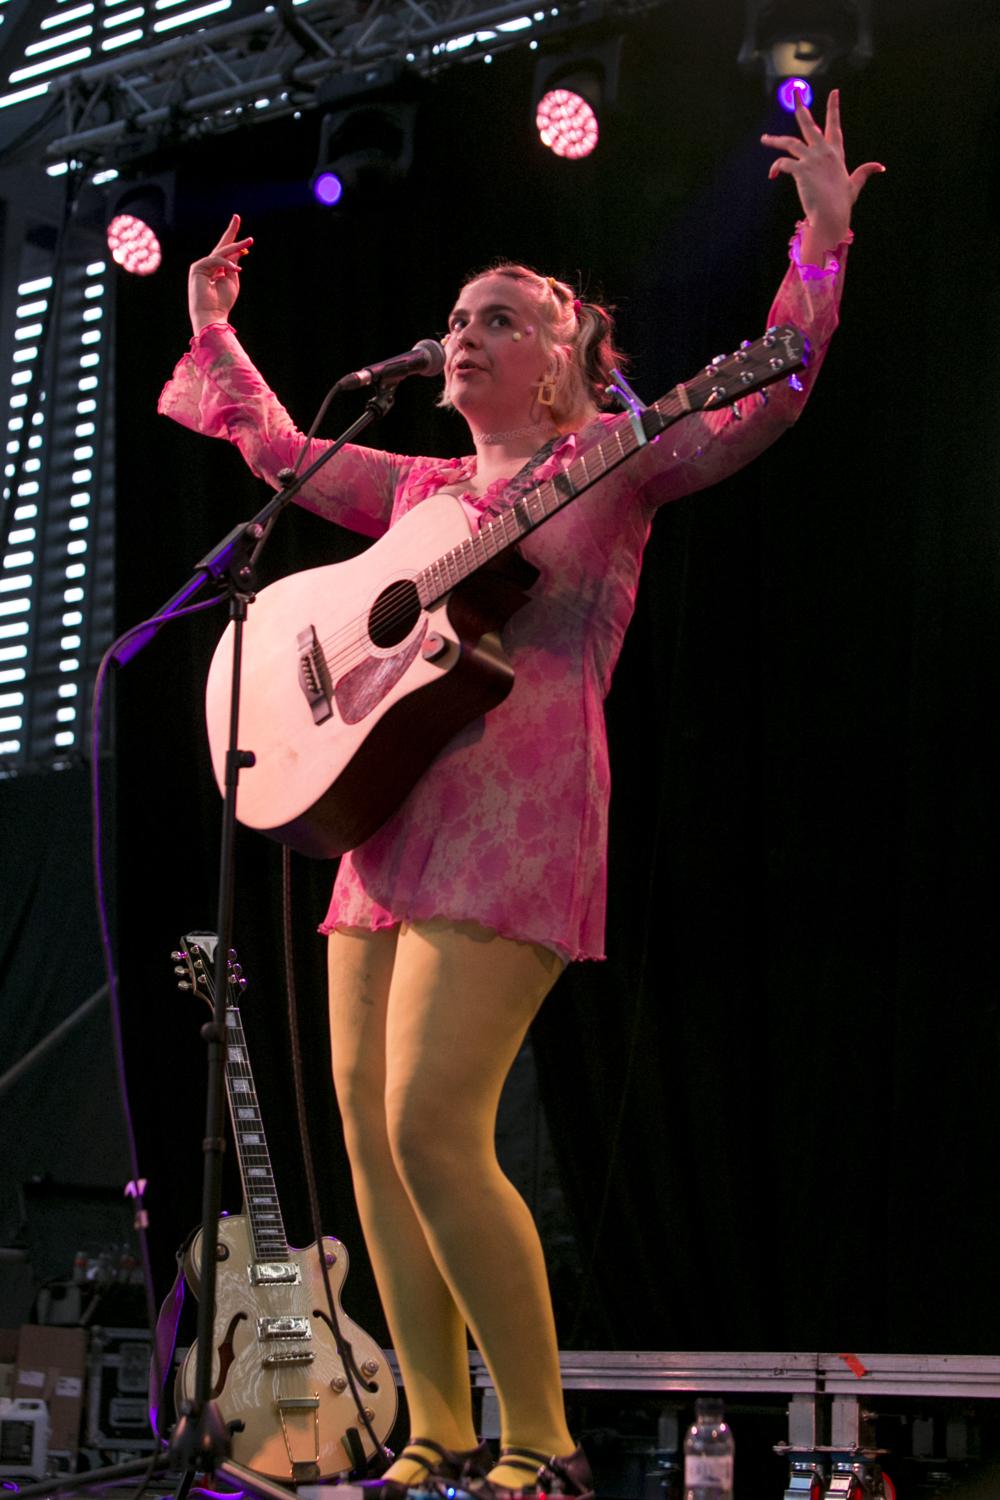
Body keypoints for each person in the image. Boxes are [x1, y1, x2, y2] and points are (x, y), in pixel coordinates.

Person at [159, 91, 882, 1499]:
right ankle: (435, 1435)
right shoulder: (423, 488)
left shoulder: (613, 460)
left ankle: (542, 1446)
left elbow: (777, 386)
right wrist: (215, 329)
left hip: (522, 809)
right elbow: (283, 455)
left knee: (432, 1119)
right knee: (370, 1141)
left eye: (501, 316)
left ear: (568, 355)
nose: (466, 332)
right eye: (457, 317)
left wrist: (821, 245)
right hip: (384, 809)